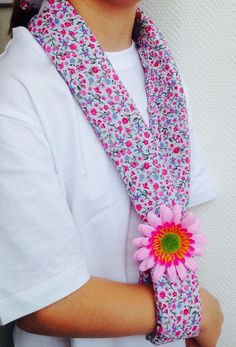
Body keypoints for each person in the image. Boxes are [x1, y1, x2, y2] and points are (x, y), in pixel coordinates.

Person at [0, 0, 224, 347]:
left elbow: (175, 229)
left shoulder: (160, 70)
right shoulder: (16, 88)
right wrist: (197, 310)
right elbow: (41, 299)